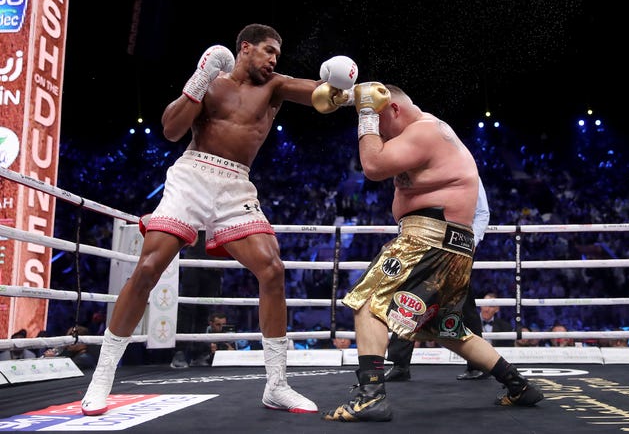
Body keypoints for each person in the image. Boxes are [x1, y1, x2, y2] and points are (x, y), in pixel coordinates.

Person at [81, 23, 358, 416]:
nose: (274, 59)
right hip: (192, 176)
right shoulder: (211, 84)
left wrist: (350, 90)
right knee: (148, 266)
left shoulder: (275, 86)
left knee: (273, 269)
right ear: (245, 48)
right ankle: (102, 377)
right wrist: (199, 77)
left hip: (236, 186)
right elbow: (172, 129)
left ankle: (276, 385)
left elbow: (321, 97)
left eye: (277, 54)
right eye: (268, 51)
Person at [323, 83, 543, 422]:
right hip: (452, 245)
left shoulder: (424, 130)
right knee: (447, 328)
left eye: (380, 123)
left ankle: (370, 396)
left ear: (393, 110)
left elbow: (372, 165)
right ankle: (519, 386)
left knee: (368, 303)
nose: (378, 133)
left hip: (428, 238)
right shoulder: (425, 132)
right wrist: (347, 97)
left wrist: (366, 115)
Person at [384, 177, 491, 382]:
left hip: (455, 246)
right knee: (409, 297)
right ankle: (400, 364)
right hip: (422, 244)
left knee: (463, 301)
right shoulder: (422, 173)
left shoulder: (467, 173)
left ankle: (479, 364)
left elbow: (482, 212)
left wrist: (473, 241)